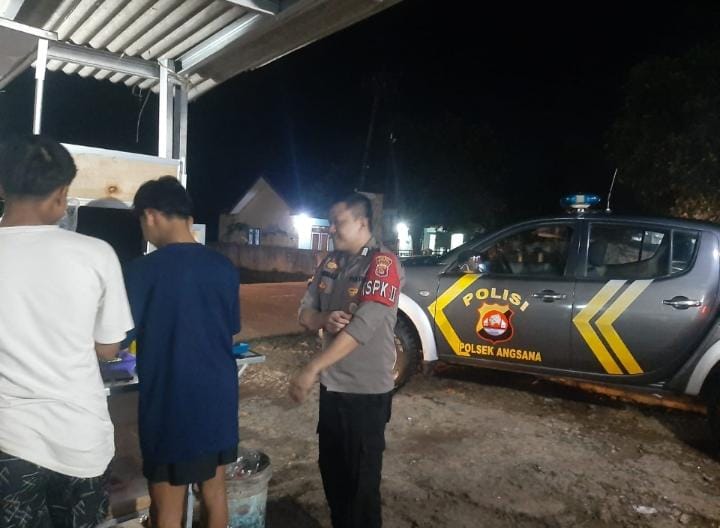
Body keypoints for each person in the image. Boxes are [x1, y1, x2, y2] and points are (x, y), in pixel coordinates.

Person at [0, 135, 134, 527]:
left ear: (2, 187)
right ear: (62, 193)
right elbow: (108, 348)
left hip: (8, 441)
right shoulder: (95, 254)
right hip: (81, 441)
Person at [124, 176, 241, 528]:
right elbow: (230, 330)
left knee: (167, 509)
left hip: (171, 403)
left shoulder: (142, 271)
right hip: (218, 399)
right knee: (215, 493)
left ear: (150, 215)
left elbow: (117, 339)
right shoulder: (224, 267)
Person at [290, 192, 404, 528]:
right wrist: (322, 319)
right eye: (330, 222)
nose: (330, 229)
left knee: (361, 491)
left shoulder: (383, 265)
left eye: (337, 222)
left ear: (362, 223)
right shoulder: (331, 263)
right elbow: (304, 312)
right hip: (333, 389)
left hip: (365, 395)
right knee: (333, 476)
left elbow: (362, 328)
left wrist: (312, 367)